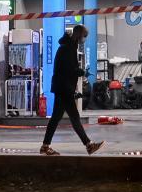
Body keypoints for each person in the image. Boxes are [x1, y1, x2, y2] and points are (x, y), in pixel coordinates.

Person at [40, 25, 105, 155]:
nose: (84, 39)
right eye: (84, 36)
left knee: (58, 118)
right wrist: (83, 72)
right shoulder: (68, 48)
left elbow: (67, 70)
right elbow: (70, 70)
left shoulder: (67, 46)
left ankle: (46, 146)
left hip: (63, 88)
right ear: (78, 35)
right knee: (73, 118)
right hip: (64, 89)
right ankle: (89, 145)